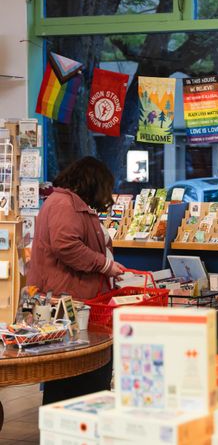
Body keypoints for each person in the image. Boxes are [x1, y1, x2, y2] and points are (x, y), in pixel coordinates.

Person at [27, 156, 125, 404]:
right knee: (74, 373)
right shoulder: (64, 205)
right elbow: (66, 245)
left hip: (76, 297)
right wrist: (105, 265)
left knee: (77, 371)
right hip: (68, 300)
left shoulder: (69, 203)